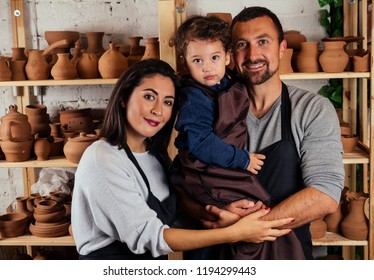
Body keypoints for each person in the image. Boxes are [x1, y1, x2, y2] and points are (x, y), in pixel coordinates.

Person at [71, 58, 295, 260]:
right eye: (149, 96)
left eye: (168, 102)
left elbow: (177, 215)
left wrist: (221, 213)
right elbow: (149, 236)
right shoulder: (102, 157)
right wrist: (232, 233)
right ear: (123, 99)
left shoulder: (155, 156)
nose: (158, 110)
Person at [205, 6, 344, 259]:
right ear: (230, 55)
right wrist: (228, 231)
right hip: (220, 254)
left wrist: (248, 229)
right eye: (241, 45)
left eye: (263, 42)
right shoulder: (212, 109)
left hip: (286, 255)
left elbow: (325, 194)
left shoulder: (312, 109)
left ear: (282, 48)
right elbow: (186, 177)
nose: (252, 54)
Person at [169, 15, 305, 259]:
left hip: (224, 170)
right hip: (204, 172)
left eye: (214, 58)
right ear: (185, 62)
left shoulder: (228, 82)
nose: (207, 67)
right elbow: (201, 143)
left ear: (227, 57)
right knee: (248, 213)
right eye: (197, 60)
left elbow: (326, 197)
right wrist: (242, 160)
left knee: (259, 206)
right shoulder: (194, 97)